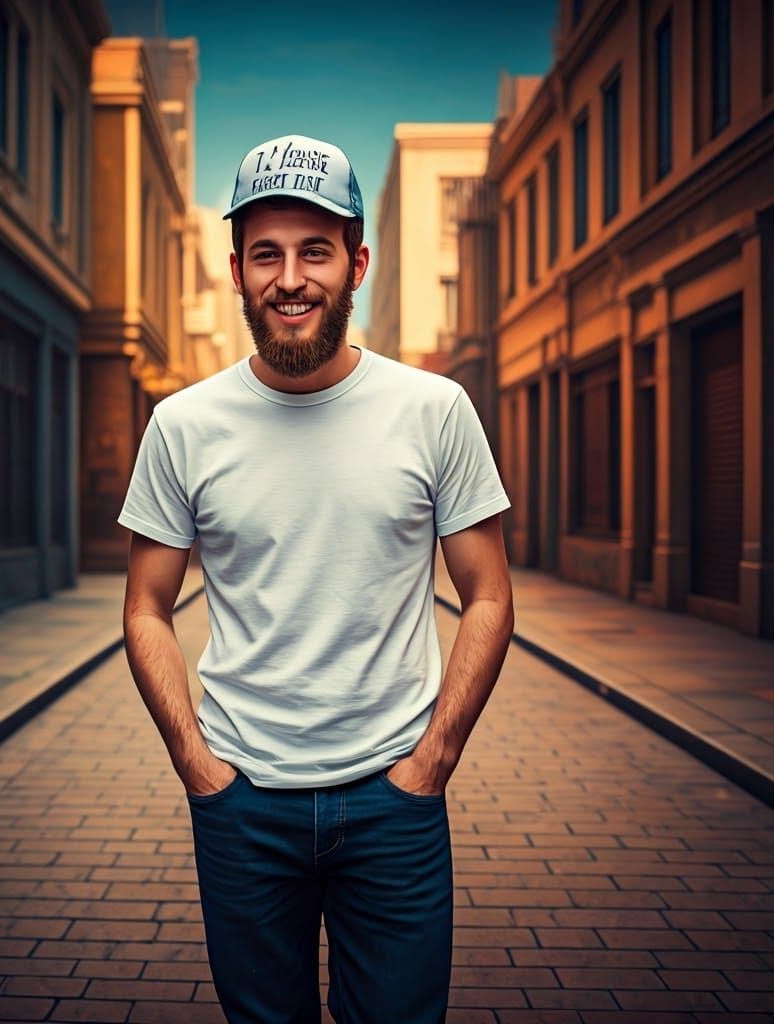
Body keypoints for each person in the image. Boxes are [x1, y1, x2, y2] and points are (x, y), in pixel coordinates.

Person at [119, 133, 514, 1024]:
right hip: (242, 803)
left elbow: (489, 593)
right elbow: (145, 608)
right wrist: (196, 764)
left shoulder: (434, 410)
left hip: (396, 800)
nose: (289, 278)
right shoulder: (183, 425)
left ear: (357, 263)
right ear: (236, 270)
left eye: (315, 252)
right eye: (267, 253)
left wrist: (434, 760)